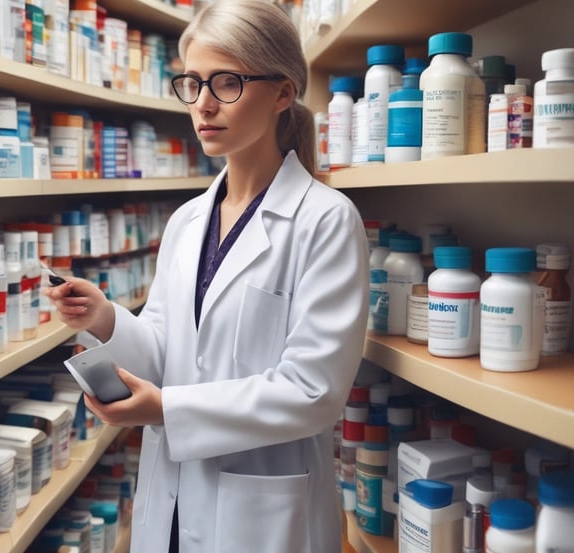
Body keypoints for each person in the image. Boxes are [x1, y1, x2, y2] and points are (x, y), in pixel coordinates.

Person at [43, 1, 369, 551]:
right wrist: (105, 319)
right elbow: (168, 355)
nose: (204, 105)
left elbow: (314, 391)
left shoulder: (326, 220)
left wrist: (166, 409)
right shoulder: (187, 220)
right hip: (168, 504)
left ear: (283, 92)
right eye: (192, 84)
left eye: (227, 83)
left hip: (261, 514)